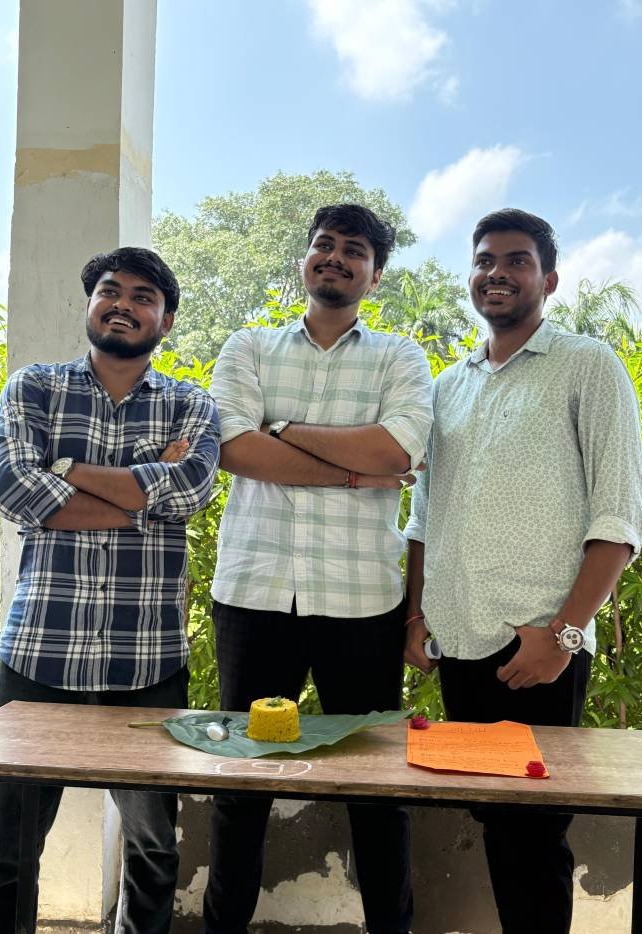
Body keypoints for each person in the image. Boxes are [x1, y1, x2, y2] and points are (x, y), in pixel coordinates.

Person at [404, 208, 642, 934]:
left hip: (537, 651)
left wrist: (563, 635)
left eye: (517, 261)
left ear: (549, 279)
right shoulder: (447, 387)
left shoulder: (587, 365)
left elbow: (619, 517)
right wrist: (416, 616)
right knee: (494, 819)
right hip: (458, 645)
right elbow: (424, 517)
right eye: (485, 260)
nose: (497, 273)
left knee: (535, 831)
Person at [202, 204, 433, 934]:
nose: (334, 257)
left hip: (362, 604)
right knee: (243, 783)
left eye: (354, 250)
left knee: (377, 789)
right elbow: (232, 448)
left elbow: (397, 451)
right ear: (304, 259)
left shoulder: (400, 357)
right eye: (323, 245)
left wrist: (282, 429)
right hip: (254, 595)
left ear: (374, 274)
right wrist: (352, 474)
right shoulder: (248, 345)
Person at [0, 247, 220, 934]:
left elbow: (191, 490)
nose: (123, 304)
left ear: (165, 321)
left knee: (153, 850)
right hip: (40, 654)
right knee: (5, 851)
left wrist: (65, 470)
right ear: (90, 305)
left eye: (144, 296)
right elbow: (12, 488)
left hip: (146, 663)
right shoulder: (34, 388)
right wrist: (143, 494)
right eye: (110, 291)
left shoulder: (191, 403)